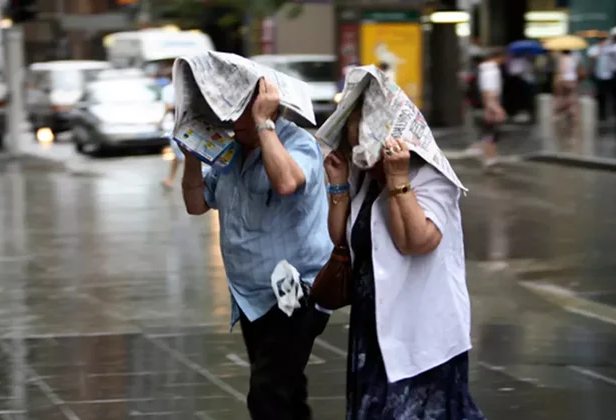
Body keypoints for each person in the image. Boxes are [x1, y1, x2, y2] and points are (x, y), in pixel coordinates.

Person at [323, 97, 484, 420]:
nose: (363, 162)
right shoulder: (368, 180)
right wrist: (339, 186)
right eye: (357, 152)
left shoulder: (430, 175)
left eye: (366, 152)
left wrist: (398, 180)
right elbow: (341, 239)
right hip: (374, 327)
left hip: (421, 332)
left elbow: (416, 241)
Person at [180, 78, 331, 420]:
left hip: (295, 290)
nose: (234, 123)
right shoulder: (232, 152)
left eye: (243, 114)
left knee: (268, 394)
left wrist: (264, 125)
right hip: (251, 295)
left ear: (268, 109)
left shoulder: (297, 142)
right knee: (285, 390)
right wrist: (192, 155)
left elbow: (287, 182)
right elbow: (196, 203)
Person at [476, 48, 506, 171]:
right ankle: (490, 160)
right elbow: (488, 92)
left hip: (488, 105)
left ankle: (490, 159)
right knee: (491, 134)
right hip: (491, 105)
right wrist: (495, 108)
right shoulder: (491, 70)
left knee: (490, 134)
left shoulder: (484, 69)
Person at [160, 71, 182, 189]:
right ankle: (170, 179)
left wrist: (161, 119)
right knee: (179, 154)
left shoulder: (169, 89)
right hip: (193, 123)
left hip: (178, 124)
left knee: (180, 154)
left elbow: (168, 107)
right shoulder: (188, 86)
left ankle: (171, 179)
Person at [553, 50, 582, 133]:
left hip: (564, 80)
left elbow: (561, 70)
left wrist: (558, 81)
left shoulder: (562, 59)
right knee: (572, 96)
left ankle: (562, 112)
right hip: (573, 79)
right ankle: (573, 113)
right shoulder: (574, 58)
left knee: (562, 97)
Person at [588, 36, 613, 121]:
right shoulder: (594, 49)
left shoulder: (610, 49)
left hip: (609, 75)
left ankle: (606, 113)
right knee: (600, 95)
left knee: (607, 95)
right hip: (598, 75)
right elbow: (592, 59)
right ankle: (601, 113)